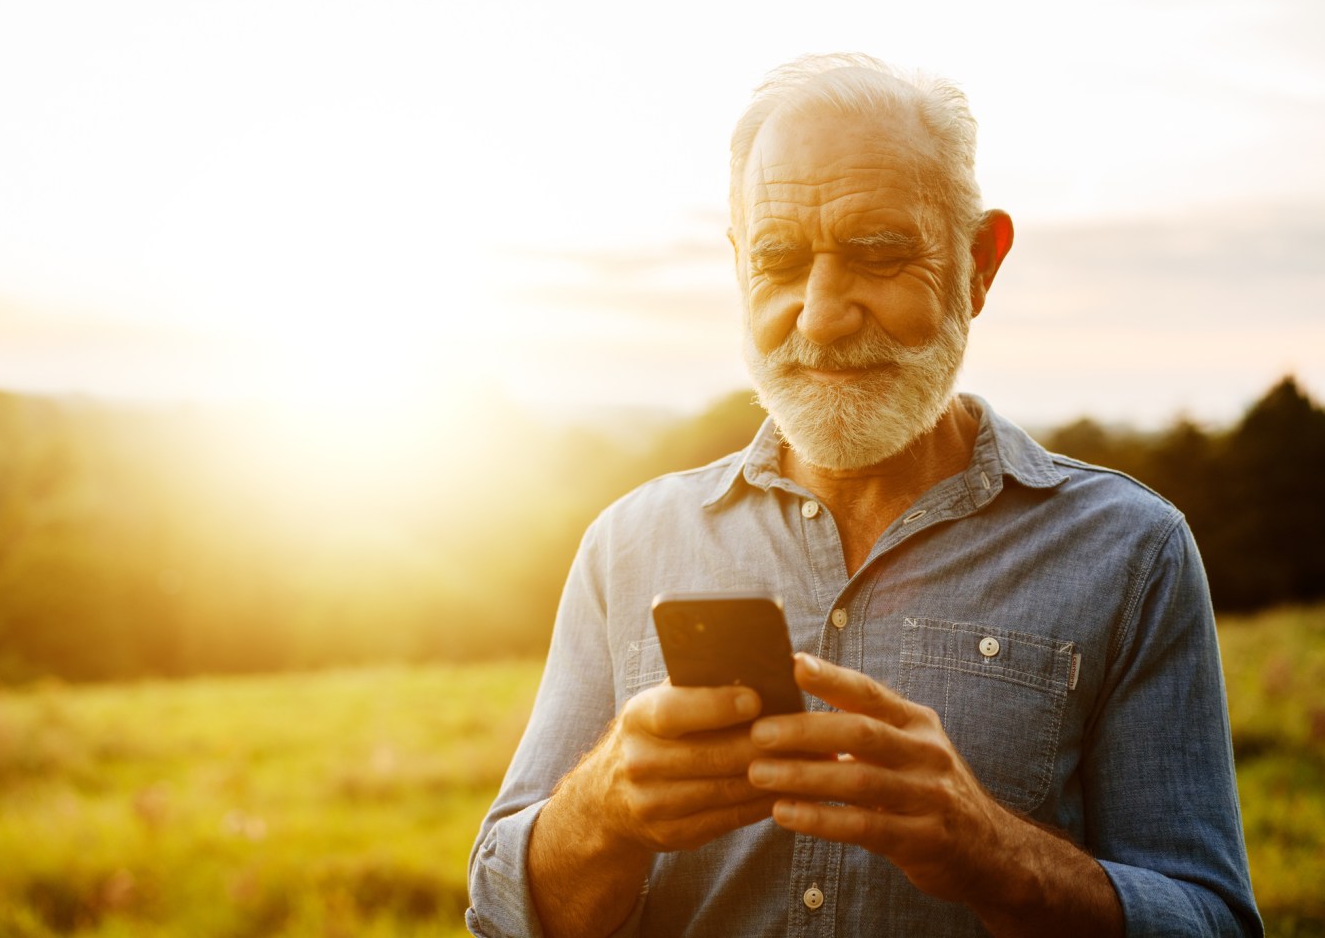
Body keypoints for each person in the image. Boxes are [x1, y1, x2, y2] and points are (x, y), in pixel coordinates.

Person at [466, 53, 1262, 938]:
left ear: (979, 265)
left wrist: (991, 853)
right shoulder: (628, 545)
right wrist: (604, 812)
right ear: (738, 269)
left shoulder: (1132, 554)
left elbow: (1211, 920)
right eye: (777, 262)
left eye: (878, 253)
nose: (821, 314)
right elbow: (502, 915)